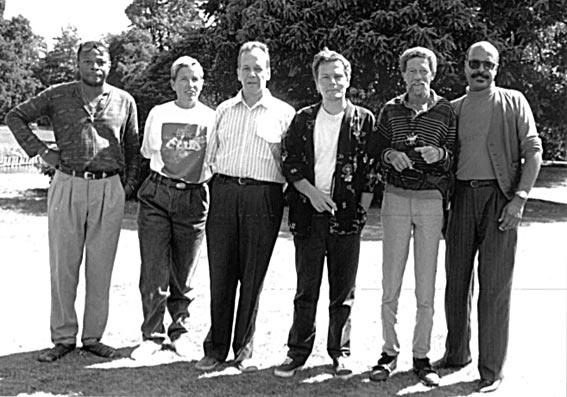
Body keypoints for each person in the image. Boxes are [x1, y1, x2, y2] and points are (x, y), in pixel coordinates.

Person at [5, 41, 140, 362]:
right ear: (78, 64)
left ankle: (93, 337)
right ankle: (63, 338)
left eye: (101, 62)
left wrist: (127, 186)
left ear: (110, 64)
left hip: (109, 189)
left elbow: (132, 146)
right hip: (68, 183)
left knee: (101, 267)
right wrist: (42, 151)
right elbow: (16, 116)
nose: (95, 67)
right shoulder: (58, 94)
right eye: (89, 61)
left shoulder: (125, 101)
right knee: (64, 266)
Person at [439, 41, 542, 393]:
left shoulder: (513, 102)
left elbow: (533, 152)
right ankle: (456, 354)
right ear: (465, 66)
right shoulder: (452, 108)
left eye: (488, 64)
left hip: (501, 200)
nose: (480, 70)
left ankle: (491, 368)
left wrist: (520, 199)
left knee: (495, 286)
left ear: (496, 68)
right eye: (474, 63)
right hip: (462, 199)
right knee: (455, 281)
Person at [273, 48, 379, 378]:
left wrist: (361, 211)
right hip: (309, 215)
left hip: (348, 218)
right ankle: (298, 351)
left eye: (338, 76)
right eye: (325, 77)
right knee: (306, 289)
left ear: (347, 79)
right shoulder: (303, 118)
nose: (332, 82)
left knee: (343, 293)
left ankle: (340, 353)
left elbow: (372, 170)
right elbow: (289, 162)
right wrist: (311, 194)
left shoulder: (364, 119)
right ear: (316, 82)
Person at [195, 41, 295, 372]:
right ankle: (215, 348)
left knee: (253, 275)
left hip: (264, 196)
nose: (252, 74)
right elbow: (211, 156)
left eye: (258, 68)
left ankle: (243, 349)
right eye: (246, 68)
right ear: (238, 72)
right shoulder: (223, 110)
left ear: (268, 72)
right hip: (224, 192)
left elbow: (291, 164)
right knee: (221, 272)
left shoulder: (284, 114)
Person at [370, 47, 456, 386]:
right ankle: (388, 353)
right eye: (411, 72)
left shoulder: (446, 110)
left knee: (425, 283)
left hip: (430, 201)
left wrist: (440, 153)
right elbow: (376, 149)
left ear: (432, 74)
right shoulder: (390, 109)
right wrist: (391, 154)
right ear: (402, 74)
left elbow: (454, 156)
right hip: (395, 199)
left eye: (423, 71)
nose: (417, 77)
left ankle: (421, 357)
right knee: (390, 281)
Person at [130, 56, 215, 360]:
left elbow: (214, 160)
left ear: (202, 82)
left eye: (196, 79)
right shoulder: (159, 113)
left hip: (194, 199)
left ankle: (180, 332)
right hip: (158, 194)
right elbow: (147, 152)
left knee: (184, 271)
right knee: (154, 269)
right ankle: (151, 335)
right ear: (173, 84)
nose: (190, 85)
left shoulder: (212, 118)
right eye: (184, 79)